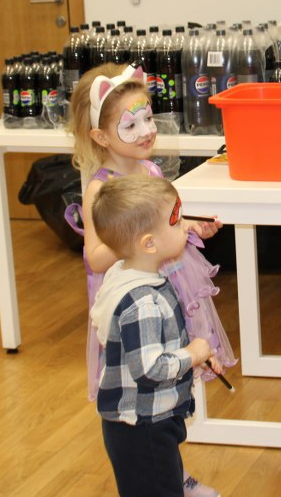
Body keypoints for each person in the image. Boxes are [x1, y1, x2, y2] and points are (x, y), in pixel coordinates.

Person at [67, 62, 233, 497]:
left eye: (147, 117)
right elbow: (95, 257)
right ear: (101, 137)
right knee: (147, 381)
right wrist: (135, 239)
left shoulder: (151, 171)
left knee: (171, 387)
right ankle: (164, 474)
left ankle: (173, 471)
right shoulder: (100, 189)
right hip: (133, 295)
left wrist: (187, 227)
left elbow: (162, 223)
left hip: (167, 285)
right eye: (130, 124)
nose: (145, 130)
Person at [89, 175, 224, 497]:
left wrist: (195, 357)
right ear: (149, 244)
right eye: (176, 223)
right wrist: (192, 353)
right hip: (143, 426)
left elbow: (153, 346)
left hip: (148, 420)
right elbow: (150, 369)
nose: (185, 227)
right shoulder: (142, 302)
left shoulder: (128, 274)